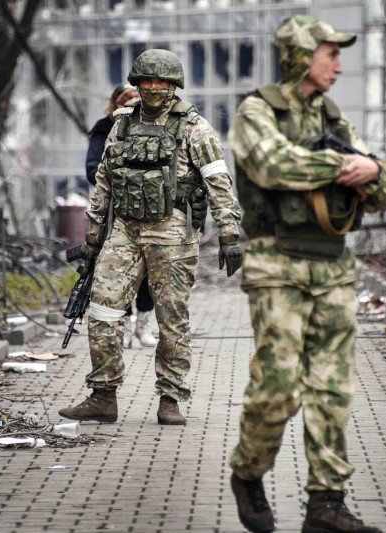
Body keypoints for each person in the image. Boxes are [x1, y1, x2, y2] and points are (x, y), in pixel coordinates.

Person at [227, 16, 386, 533]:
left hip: (332, 267)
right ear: (302, 56)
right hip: (276, 263)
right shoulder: (257, 110)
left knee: (331, 389)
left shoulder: (334, 118)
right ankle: (248, 472)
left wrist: (376, 171)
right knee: (278, 388)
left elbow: (383, 189)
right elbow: (273, 166)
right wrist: (352, 167)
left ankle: (326, 503)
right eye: (331, 55)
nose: (339, 66)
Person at [59, 49, 243, 426]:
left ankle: (171, 398)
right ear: (137, 83)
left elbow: (219, 183)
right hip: (124, 232)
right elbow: (104, 184)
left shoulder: (195, 129)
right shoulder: (122, 125)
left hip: (172, 235)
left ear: (175, 85)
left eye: (162, 82)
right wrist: (93, 238)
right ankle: (103, 395)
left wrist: (230, 234)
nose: (155, 88)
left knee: (172, 319)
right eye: (147, 81)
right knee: (103, 311)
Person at [85, 83, 157, 349]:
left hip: (150, 212)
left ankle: (143, 326)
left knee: (150, 271)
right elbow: (92, 168)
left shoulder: (154, 126)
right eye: (126, 102)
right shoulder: (104, 128)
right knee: (119, 273)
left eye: (136, 101)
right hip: (115, 212)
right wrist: (119, 178)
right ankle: (124, 326)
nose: (131, 107)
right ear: (115, 104)